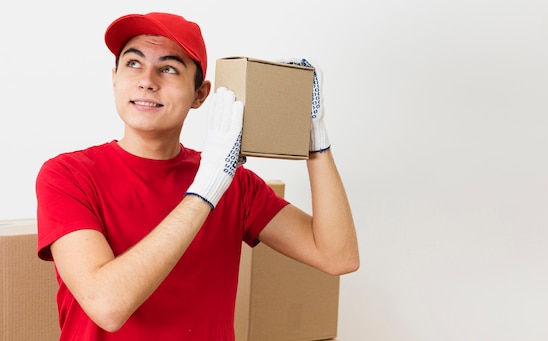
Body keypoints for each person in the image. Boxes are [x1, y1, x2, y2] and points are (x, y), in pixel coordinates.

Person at [35, 12, 359, 341]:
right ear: (114, 78)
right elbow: (107, 306)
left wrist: (315, 142)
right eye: (133, 64)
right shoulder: (67, 176)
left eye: (169, 68)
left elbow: (337, 256)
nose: (147, 80)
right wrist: (207, 188)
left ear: (200, 94)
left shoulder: (234, 181)